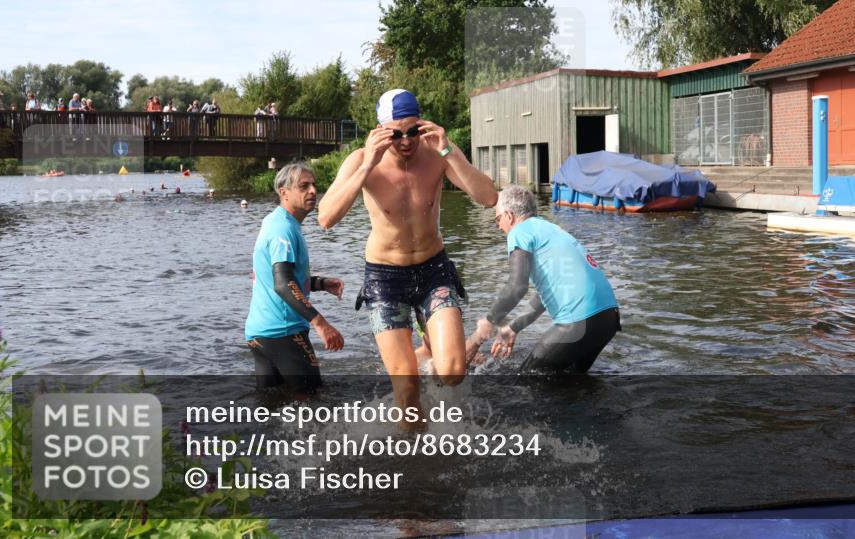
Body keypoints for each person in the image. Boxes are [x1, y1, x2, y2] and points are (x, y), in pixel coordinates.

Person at [317, 89, 497, 413]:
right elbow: (326, 218)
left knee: (453, 373)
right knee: (408, 393)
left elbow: (489, 198)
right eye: (396, 134)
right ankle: (417, 459)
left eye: (412, 131)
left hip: (433, 270)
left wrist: (449, 152)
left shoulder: (437, 153)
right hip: (386, 279)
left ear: (421, 124)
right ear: (380, 131)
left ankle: (428, 346)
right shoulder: (361, 160)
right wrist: (368, 164)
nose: (405, 141)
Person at [466, 185, 621, 373]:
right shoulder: (550, 229)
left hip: (579, 320)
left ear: (509, 216)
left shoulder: (519, 232)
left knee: (528, 382)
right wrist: (513, 327)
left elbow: (517, 287)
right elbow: (545, 295)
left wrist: (489, 321)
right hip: (608, 318)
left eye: (497, 219)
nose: (498, 226)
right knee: (573, 385)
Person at [246, 162, 345, 393]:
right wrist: (321, 324)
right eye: (303, 186)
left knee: (273, 406)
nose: (312, 191)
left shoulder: (275, 221)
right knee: (314, 404)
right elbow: (282, 284)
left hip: (259, 333)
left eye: (313, 185)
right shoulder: (284, 229)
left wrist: (320, 283)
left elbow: (276, 277)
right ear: (284, 192)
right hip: (284, 332)